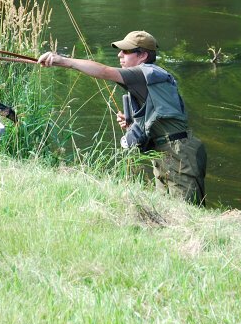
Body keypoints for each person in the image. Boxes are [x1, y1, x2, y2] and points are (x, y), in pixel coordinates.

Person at [38, 30, 207, 205]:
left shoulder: (143, 72)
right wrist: (133, 125)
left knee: (187, 213)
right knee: (167, 211)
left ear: (142, 55)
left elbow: (104, 71)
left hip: (180, 153)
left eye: (126, 51)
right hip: (168, 151)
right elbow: (160, 118)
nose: (119, 55)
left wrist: (63, 60)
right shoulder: (150, 76)